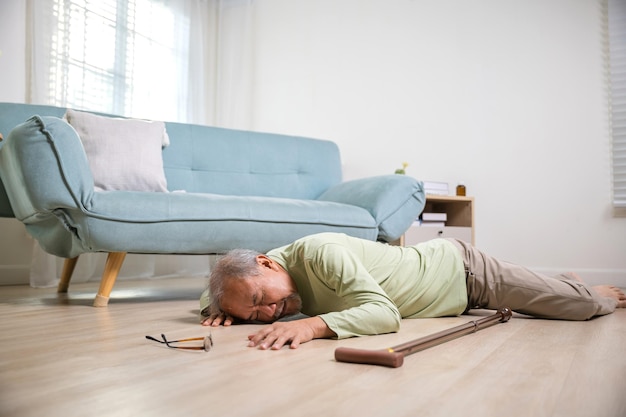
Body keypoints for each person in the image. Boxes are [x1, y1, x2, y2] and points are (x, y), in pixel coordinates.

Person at [199, 232, 626, 350]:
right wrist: (224, 310)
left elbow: (384, 314)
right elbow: (219, 293)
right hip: (457, 306)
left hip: (463, 272)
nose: (269, 313)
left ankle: (578, 286)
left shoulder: (318, 253)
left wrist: (314, 326)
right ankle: (560, 286)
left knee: (586, 307)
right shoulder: (251, 282)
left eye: (259, 301)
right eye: (253, 315)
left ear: (268, 262)